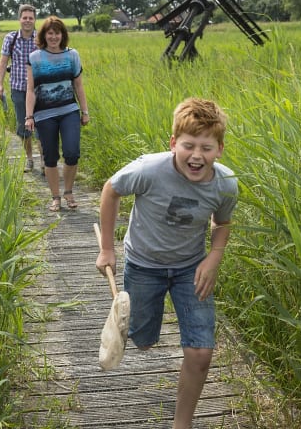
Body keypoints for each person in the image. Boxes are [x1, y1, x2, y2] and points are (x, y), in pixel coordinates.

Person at [95, 97, 238, 429]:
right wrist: (106, 249)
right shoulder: (148, 170)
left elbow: (223, 223)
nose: (197, 155)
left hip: (191, 267)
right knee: (144, 340)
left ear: (220, 149)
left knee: (201, 352)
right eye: (189, 146)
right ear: (174, 143)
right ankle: (133, 318)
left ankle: (181, 423)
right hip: (144, 264)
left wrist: (214, 257)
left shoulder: (225, 184)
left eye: (207, 147)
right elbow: (110, 190)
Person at [25, 16, 90, 212]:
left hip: (69, 110)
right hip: (44, 115)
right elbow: (30, 89)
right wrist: (29, 116)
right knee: (50, 157)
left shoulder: (72, 55)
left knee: (72, 153)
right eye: (50, 33)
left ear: (63, 35)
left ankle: (68, 192)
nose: (54, 37)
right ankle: (55, 197)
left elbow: (78, 85)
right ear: (44, 35)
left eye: (57, 33)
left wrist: (85, 111)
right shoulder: (35, 57)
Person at [0, 4, 42, 173]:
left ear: (35, 20)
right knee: (23, 127)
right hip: (18, 88)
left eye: (31, 18)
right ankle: (29, 159)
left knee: (42, 125)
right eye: (25, 18)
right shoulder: (11, 38)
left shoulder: (41, 38)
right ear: (19, 19)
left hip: (39, 89)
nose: (28, 21)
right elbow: (3, 62)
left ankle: (44, 161)